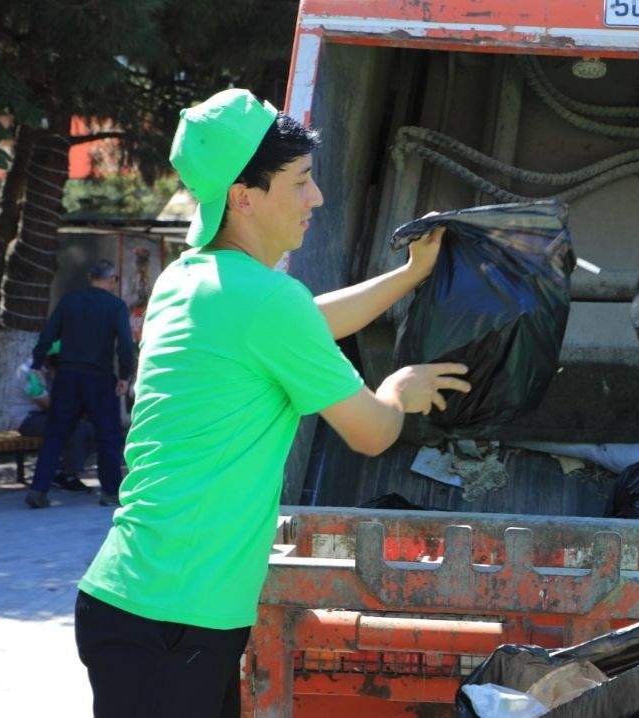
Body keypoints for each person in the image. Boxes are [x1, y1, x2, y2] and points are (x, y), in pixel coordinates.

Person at [73, 88, 471, 718]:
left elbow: (304, 322)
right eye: (301, 181)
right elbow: (371, 432)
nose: (316, 198)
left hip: (138, 602)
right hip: (177, 620)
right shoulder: (265, 303)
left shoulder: (189, 279)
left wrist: (409, 276)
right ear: (244, 196)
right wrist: (399, 390)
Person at [25, 259, 134, 509]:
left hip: (67, 376)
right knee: (108, 435)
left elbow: (48, 335)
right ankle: (109, 493)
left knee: (55, 434)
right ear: (110, 280)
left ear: (90, 277)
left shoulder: (68, 302)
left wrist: (36, 364)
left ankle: (38, 490)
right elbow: (125, 346)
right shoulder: (115, 306)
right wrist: (125, 377)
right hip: (99, 379)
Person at [8, 341, 94, 490]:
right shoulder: (29, 371)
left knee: (93, 430)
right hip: (27, 420)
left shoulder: (50, 369)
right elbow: (48, 405)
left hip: (45, 417)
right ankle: (68, 474)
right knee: (75, 427)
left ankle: (61, 469)